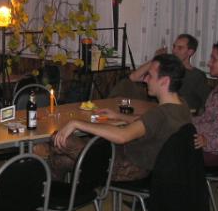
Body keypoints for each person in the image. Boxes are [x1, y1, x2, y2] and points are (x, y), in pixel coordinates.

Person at [45, 54, 192, 181]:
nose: (145, 79)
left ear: (164, 81)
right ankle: (55, 200)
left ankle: (46, 188)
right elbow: (145, 122)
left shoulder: (160, 113)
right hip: (143, 164)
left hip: (128, 167)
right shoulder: (181, 105)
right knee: (60, 160)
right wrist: (117, 115)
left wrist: (76, 123)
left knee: (59, 139)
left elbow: (122, 136)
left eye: (150, 76)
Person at [128, 33, 211, 111]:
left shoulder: (197, 75)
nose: (174, 51)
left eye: (180, 48)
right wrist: (156, 58)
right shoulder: (166, 69)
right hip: (157, 111)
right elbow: (133, 77)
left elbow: (207, 103)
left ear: (190, 52)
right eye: (174, 47)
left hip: (180, 115)